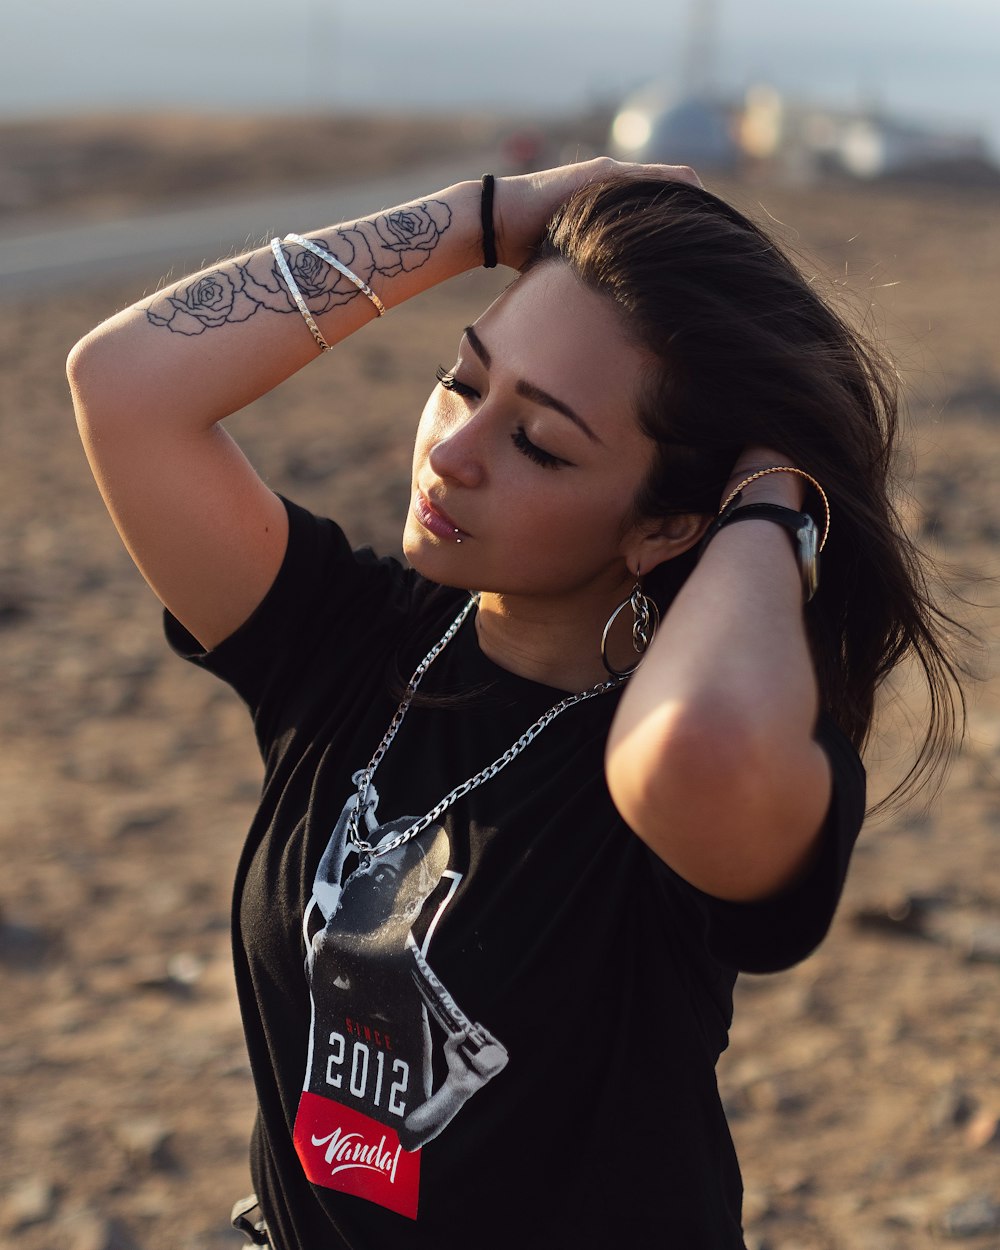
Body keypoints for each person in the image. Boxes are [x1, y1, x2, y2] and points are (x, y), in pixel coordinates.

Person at [67, 158, 963, 1248]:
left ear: (667, 527)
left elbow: (699, 746)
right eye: (461, 378)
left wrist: (774, 502)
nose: (450, 452)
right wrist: (484, 216)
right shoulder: (345, 640)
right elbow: (125, 385)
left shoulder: (681, 766)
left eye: (536, 440)